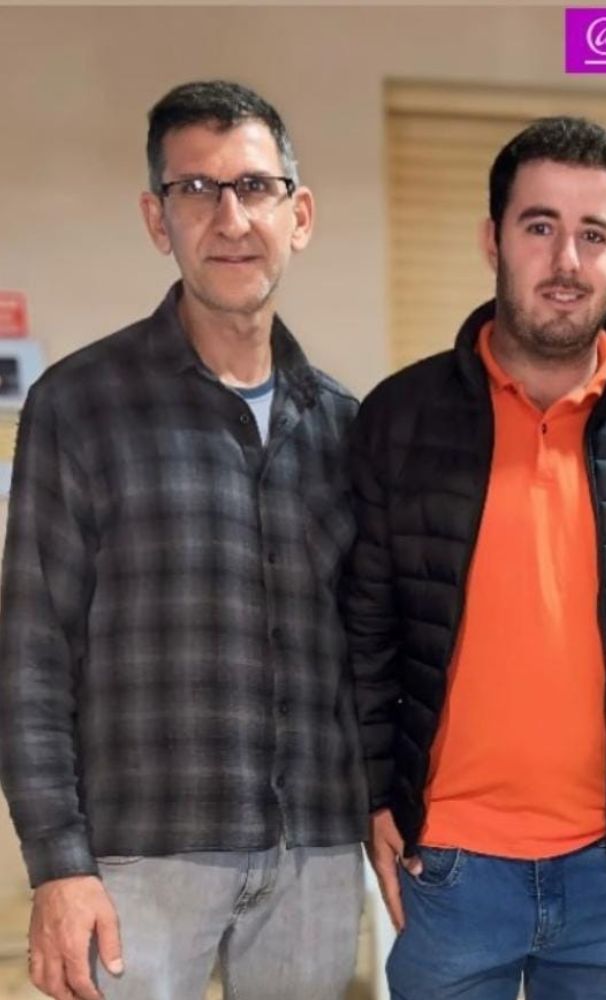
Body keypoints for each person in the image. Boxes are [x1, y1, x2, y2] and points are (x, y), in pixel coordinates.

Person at [0, 80, 367, 1000]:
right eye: (196, 189)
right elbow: (32, 654)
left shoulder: (347, 426)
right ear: (156, 219)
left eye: (254, 187)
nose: (230, 218)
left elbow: (371, 648)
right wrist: (57, 864)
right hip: (137, 858)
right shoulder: (80, 405)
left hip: (316, 850)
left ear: (299, 215)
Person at [345, 115, 606, 1000]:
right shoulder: (400, 418)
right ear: (493, 239)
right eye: (540, 226)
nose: (567, 261)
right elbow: (367, 629)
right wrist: (372, 795)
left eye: (595, 234)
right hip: (448, 866)